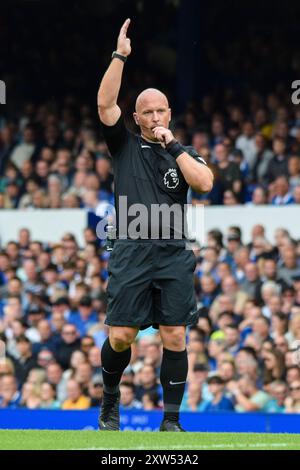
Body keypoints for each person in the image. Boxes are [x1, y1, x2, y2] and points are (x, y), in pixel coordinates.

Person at [97, 19, 213, 432]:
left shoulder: (182, 152)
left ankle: (171, 422)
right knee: (121, 337)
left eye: (160, 110)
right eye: (146, 111)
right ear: (137, 116)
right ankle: (110, 406)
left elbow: (204, 182)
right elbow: (104, 106)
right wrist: (120, 56)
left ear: (169, 112)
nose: (154, 115)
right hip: (131, 249)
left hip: (173, 253)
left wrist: (174, 145)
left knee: (175, 336)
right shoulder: (123, 143)